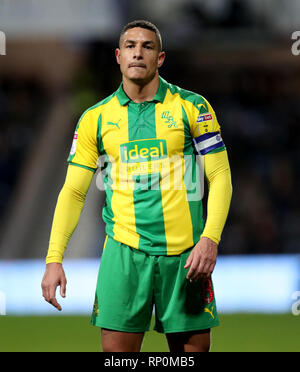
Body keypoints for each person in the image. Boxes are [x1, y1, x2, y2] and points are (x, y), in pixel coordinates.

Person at [41, 20, 232, 352]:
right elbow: (73, 191)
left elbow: (220, 176)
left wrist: (210, 239)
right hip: (124, 255)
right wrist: (54, 258)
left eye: (147, 46)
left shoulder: (192, 107)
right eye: (130, 46)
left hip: (185, 257)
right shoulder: (95, 118)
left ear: (160, 58)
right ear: (118, 56)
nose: (138, 53)